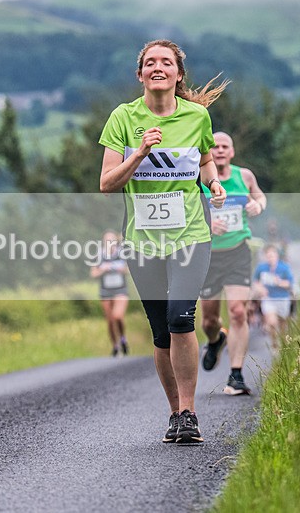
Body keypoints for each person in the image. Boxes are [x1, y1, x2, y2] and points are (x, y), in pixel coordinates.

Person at [99, 39, 228, 444]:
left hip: (190, 234)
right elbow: (106, 184)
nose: (158, 67)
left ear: (178, 74)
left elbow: (205, 159)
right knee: (160, 332)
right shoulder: (122, 118)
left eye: (166, 62)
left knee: (180, 318)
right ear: (140, 75)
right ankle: (174, 413)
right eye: (150, 62)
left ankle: (189, 413)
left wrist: (213, 184)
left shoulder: (197, 116)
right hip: (142, 241)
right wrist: (139, 153)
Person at [198, 132, 267, 396]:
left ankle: (236, 375)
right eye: (214, 146)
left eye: (225, 146)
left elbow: (260, 198)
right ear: (208, 151)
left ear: (232, 151)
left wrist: (257, 206)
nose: (219, 150)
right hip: (208, 254)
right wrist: (208, 223)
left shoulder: (244, 176)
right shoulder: (199, 177)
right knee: (209, 321)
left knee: (238, 311)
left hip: (238, 251)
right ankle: (216, 340)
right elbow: (187, 210)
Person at [90, 229, 130, 357]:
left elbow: (129, 269)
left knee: (117, 316)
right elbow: (93, 273)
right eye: (106, 240)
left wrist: (121, 269)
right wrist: (103, 269)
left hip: (120, 290)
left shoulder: (122, 253)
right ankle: (115, 346)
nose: (109, 242)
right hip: (105, 292)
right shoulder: (99, 255)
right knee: (110, 321)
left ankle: (123, 338)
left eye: (111, 240)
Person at [253, 244, 294, 349]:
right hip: (268, 299)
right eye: (268, 255)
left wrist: (278, 282)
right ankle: (274, 344)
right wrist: (260, 289)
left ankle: (284, 345)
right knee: (272, 323)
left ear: (277, 255)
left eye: (272, 255)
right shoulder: (261, 268)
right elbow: (255, 282)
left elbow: (289, 283)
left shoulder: (284, 268)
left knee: (283, 325)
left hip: (282, 298)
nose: (270, 257)